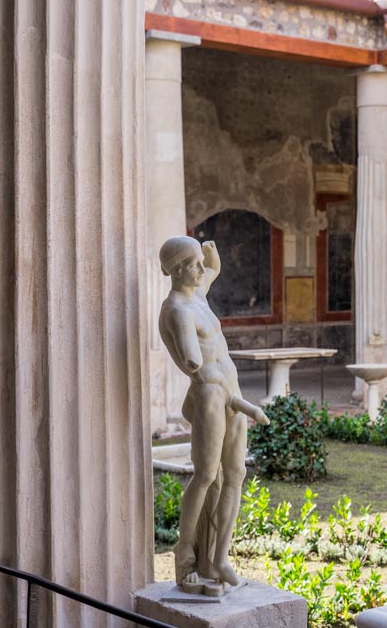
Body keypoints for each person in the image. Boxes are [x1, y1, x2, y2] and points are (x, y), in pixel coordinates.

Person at [158, 236, 269, 594]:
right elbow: (193, 360)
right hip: (209, 396)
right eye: (193, 264)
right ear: (175, 270)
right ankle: (185, 554)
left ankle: (219, 558)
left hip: (232, 394)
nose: (200, 270)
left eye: (198, 263)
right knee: (205, 476)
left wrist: (210, 254)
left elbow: (214, 269)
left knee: (235, 474)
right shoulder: (177, 310)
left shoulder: (198, 296)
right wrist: (186, 345)